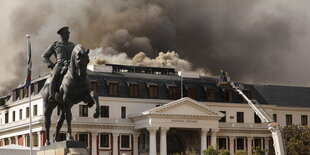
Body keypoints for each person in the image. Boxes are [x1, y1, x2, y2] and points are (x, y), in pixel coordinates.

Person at [42, 26, 75, 102]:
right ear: (61, 35)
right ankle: (51, 95)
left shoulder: (73, 45)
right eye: (66, 34)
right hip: (60, 65)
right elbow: (44, 56)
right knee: (55, 75)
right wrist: (51, 64)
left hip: (70, 65)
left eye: (68, 34)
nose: (68, 35)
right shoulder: (55, 45)